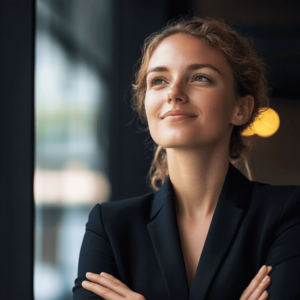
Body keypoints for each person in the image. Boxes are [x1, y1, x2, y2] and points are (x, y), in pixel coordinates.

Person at [72, 15, 300, 300]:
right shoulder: (110, 226)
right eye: (159, 80)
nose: (174, 93)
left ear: (240, 109)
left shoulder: (287, 213)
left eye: (200, 77)